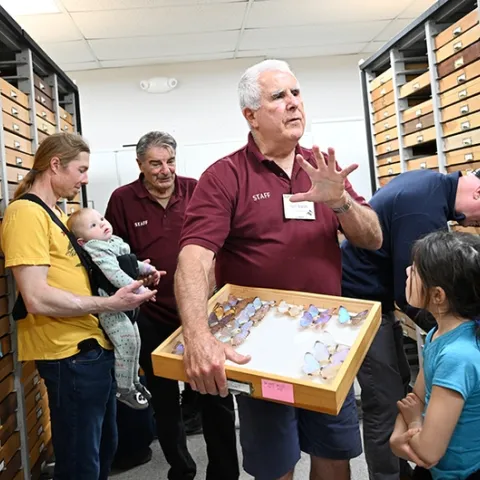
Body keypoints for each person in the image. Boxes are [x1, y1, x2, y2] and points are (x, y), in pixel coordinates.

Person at [174, 59, 383, 480]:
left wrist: (339, 202)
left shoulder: (320, 166)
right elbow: (194, 259)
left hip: (326, 342)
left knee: (335, 451)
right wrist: (198, 336)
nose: (294, 104)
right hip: (261, 349)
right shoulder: (225, 176)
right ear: (250, 115)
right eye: (278, 97)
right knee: (274, 463)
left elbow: (373, 237)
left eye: (297, 93)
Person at [0, 133, 157, 480]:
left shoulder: (55, 213)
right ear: (55, 165)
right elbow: (36, 297)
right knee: (80, 459)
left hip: (90, 347)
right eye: (81, 169)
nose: (85, 179)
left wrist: (132, 273)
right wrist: (111, 303)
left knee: (102, 449)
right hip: (67, 354)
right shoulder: (25, 213)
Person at [105, 131, 240, 480]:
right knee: (165, 404)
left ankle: (224, 473)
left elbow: (223, 245)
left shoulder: (197, 190)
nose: (165, 170)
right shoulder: (122, 200)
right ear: (140, 165)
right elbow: (112, 256)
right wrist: (135, 271)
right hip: (152, 316)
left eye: (170, 162)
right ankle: (181, 470)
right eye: (155, 164)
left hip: (201, 314)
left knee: (216, 397)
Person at [341, 168, 480, 480]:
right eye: (477, 220)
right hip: (364, 308)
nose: (471, 225)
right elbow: (408, 292)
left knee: (393, 395)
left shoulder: (429, 184)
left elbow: (418, 421)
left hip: (451, 467)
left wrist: (414, 423)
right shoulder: (422, 205)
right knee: (385, 401)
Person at [390, 230, 480, 480]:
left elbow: (429, 452)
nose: (408, 272)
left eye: (416, 271)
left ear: (438, 296)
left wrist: (414, 423)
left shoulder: (457, 356)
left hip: (458, 474)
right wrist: (400, 435)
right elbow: (416, 397)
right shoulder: (438, 334)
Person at [67, 207, 164, 409]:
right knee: (126, 346)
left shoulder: (113, 243)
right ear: (82, 242)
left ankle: (134, 382)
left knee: (136, 343)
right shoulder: (97, 248)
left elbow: (131, 263)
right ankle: (124, 389)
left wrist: (150, 269)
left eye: (101, 219)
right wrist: (140, 289)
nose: (102, 223)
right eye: (93, 225)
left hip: (127, 307)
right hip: (112, 308)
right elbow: (114, 275)